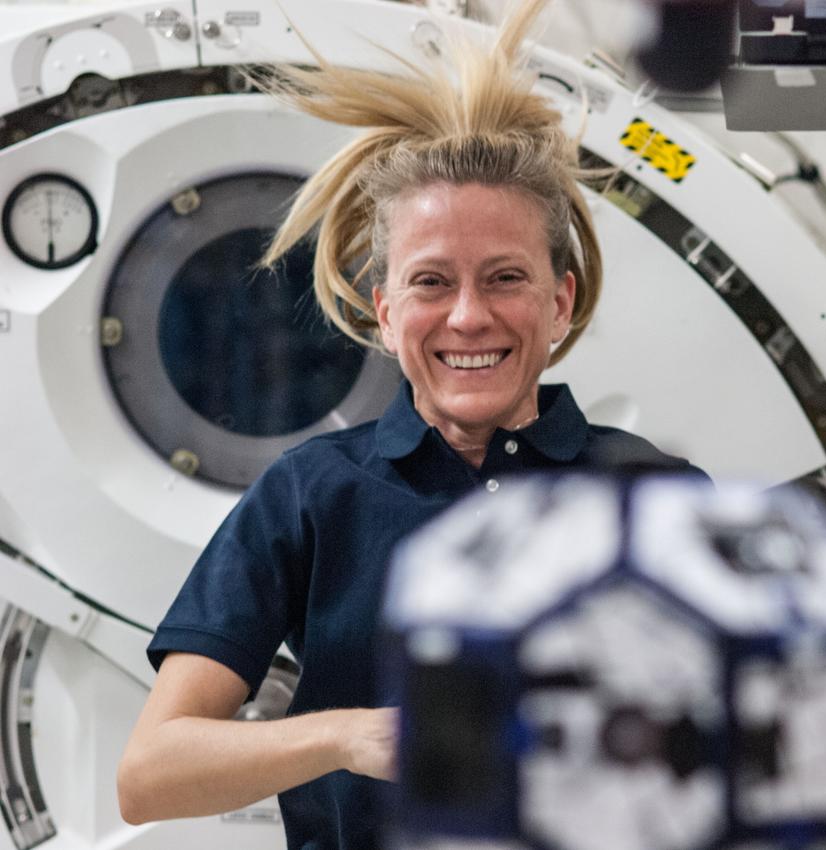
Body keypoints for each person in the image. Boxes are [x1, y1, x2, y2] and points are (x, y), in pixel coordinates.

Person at [115, 1, 705, 847]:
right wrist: (354, 737)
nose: (469, 317)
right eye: (432, 283)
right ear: (386, 314)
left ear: (559, 303)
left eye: (505, 277)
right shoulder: (313, 495)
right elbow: (149, 776)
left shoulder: (654, 495)